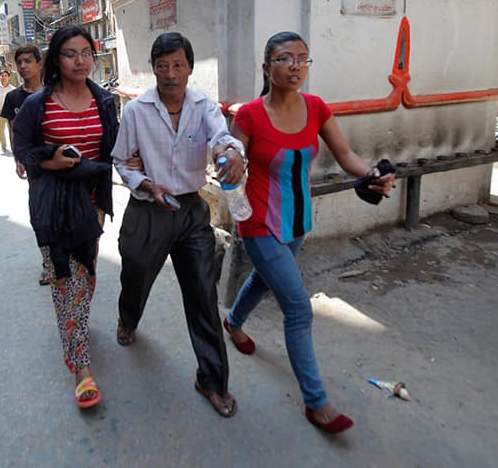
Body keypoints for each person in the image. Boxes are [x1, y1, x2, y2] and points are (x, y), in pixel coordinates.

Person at [222, 31, 394, 434]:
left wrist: (370, 173)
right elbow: (231, 151)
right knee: (298, 308)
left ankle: (232, 321)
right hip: (259, 223)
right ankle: (316, 403)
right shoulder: (248, 114)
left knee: (264, 280)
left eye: (302, 58)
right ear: (267, 68)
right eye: (284, 58)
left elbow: (346, 154)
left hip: (298, 220)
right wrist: (232, 159)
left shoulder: (317, 108)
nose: (295, 65)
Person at [112, 32, 246, 418]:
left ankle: (212, 380)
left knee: (202, 293)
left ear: (189, 67)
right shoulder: (137, 110)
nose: (171, 74)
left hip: (190, 212)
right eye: (162, 65)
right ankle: (128, 317)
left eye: (178, 65)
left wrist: (230, 152)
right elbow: (120, 160)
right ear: (153, 68)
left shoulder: (204, 105)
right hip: (147, 209)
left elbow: (222, 138)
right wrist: (143, 182)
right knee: (136, 274)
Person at [13, 25, 119, 410]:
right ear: (57, 59)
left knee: (87, 277)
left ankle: (76, 325)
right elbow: (22, 149)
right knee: (65, 281)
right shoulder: (37, 105)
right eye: (71, 54)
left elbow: (114, 147)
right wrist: (49, 160)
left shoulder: (104, 101)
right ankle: (81, 366)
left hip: (92, 206)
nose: (81, 61)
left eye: (86, 52)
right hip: (54, 205)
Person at [0, 45, 49, 285]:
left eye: (28, 61)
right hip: (34, 165)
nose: (23, 67)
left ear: (39, 64)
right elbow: (12, 129)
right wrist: (18, 157)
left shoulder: (54, 91)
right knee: (39, 216)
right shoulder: (14, 98)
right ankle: (48, 263)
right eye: (19, 63)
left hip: (59, 161)